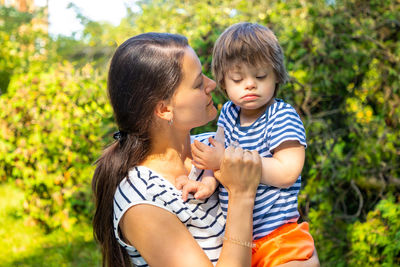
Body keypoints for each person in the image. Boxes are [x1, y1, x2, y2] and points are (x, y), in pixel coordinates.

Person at [91, 32, 263, 267]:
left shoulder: (217, 145)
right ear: (164, 110)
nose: (212, 84)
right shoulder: (142, 200)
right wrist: (242, 195)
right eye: (197, 83)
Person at [181, 22, 318, 267]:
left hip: (280, 237)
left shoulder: (281, 115)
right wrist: (208, 181)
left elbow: (288, 172)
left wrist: (223, 161)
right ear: (223, 82)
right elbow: (217, 155)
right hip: (240, 241)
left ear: (276, 75)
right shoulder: (228, 114)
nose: (250, 84)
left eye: (260, 76)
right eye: (237, 78)